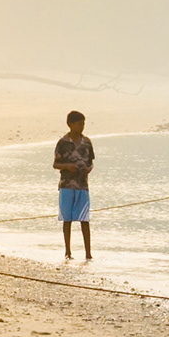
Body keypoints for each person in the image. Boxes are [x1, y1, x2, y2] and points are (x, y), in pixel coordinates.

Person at [53, 110, 94, 261]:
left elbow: (91, 163)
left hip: (83, 186)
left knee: (84, 220)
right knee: (67, 219)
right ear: (70, 124)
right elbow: (55, 164)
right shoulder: (63, 143)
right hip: (66, 185)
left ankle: (88, 253)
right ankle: (68, 251)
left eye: (83, 124)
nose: (81, 127)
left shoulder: (87, 142)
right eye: (78, 124)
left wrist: (87, 170)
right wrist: (68, 166)